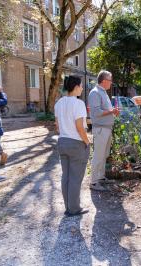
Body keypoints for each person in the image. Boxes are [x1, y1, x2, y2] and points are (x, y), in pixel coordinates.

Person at [55, 75, 90, 216]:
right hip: (76, 143)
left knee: (66, 176)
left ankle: (68, 207)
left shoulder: (58, 103)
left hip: (62, 141)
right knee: (75, 177)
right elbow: (79, 127)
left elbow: (57, 126)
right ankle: (74, 209)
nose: (82, 88)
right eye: (81, 86)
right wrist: (87, 142)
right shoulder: (78, 104)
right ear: (75, 87)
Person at [88, 70, 119, 191]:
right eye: (110, 80)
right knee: (98, 155)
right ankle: (94, 182)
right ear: (104, 81)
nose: (111, 83)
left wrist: (113, 112)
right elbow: (95, 112)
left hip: (106, 128)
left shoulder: (103, 92)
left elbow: (105, 110)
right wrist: (111, 111)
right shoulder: (95, 93)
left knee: (104, 155)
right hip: (101, 129)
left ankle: (100, 177)